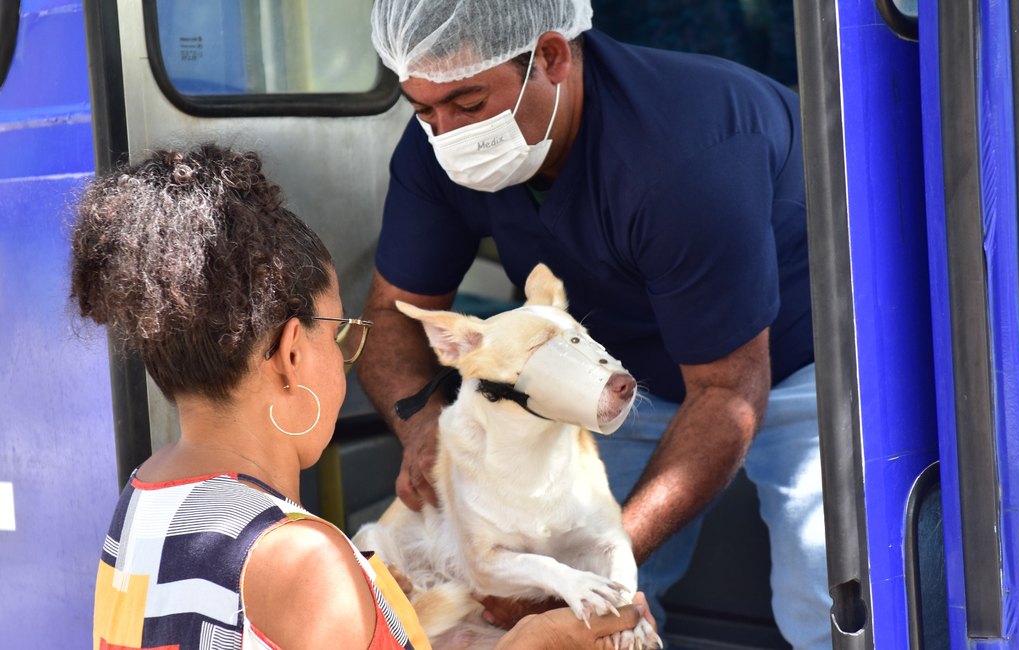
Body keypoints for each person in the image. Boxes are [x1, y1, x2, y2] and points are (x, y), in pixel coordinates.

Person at [355, 1, 831, 648]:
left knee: (830, 598)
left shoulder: (686, 154)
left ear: (551, 56)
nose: (446, 134)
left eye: (468, 105)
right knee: (583, 622)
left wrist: (589, 571)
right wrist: (424, 426)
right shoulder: (438, 148)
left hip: (803, 358)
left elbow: (725, 394)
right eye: (423, 110)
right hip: (622, 367)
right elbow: (390, 314)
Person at [79, 144, 649, 650]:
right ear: (293, 353)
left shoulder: (141, 497)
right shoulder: (303, 562)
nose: (346, 357)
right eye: (340, 335)